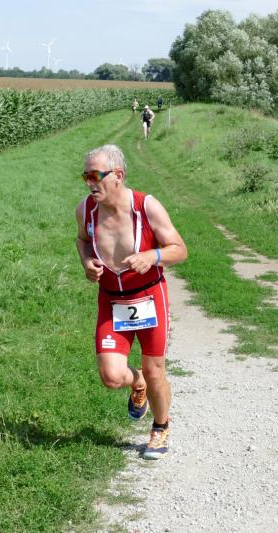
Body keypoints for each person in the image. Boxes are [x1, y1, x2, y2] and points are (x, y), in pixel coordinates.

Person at [75, 144, 188, 459]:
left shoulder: (146, 207)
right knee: (111, 377)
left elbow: (180, 249)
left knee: (155, 370)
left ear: (118, 175)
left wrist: (152, 256)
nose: (89, 183)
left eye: (95, 176)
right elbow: (82, 241)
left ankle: (160, 428)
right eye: (85, 176)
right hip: (111, 300)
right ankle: (137, 382)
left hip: (149, 296)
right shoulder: (85, 210)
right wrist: (86, 262)